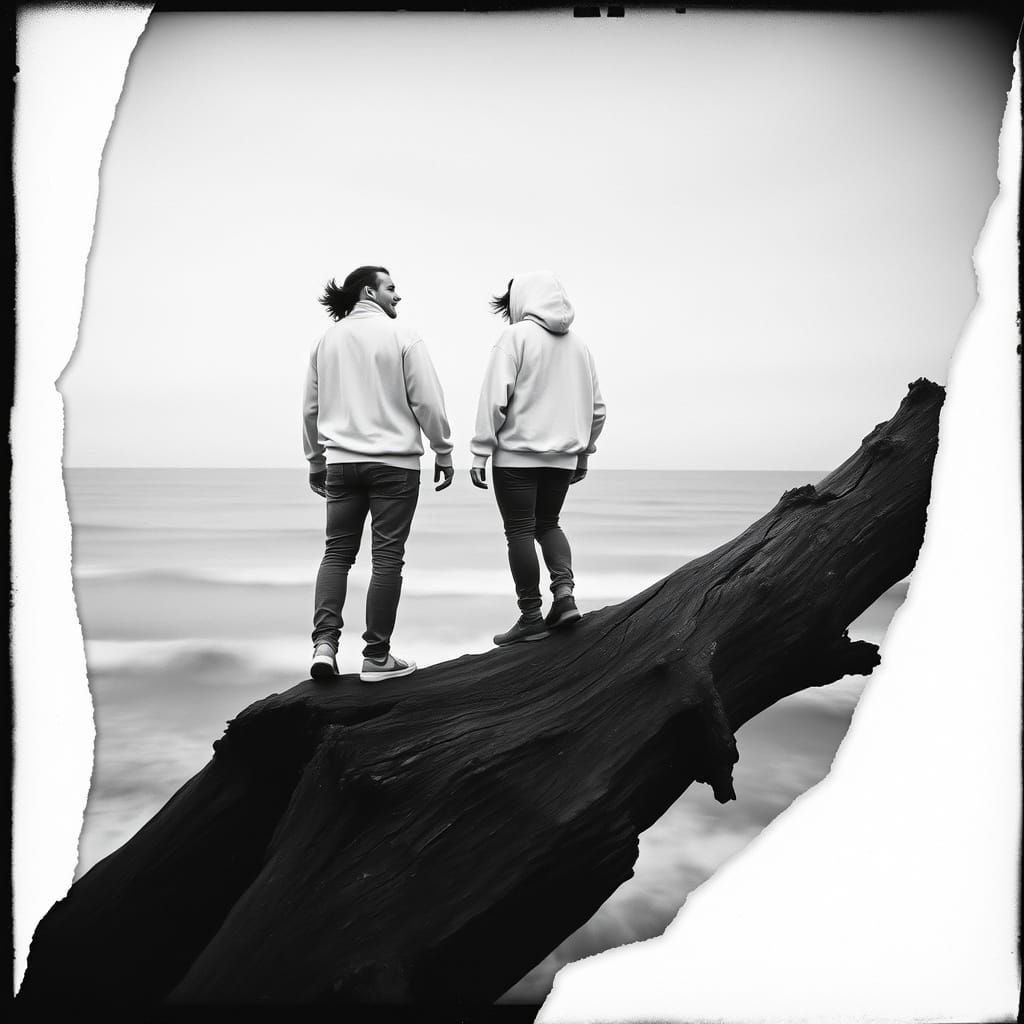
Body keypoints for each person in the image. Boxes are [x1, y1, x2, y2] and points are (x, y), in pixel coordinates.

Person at [304, 265, 454, 682]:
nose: (397, 295)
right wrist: (442, 449)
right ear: (368, 292)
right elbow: (427, 401)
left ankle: (324, 646)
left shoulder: (326, 341)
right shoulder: (403, 336)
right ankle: (376, 657)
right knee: (387, 558)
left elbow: (311, 408)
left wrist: (315, 459)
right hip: (395, 466)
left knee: (337, 554)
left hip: (341, 464)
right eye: (391, 287)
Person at [470, 270, 606, 646]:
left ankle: (530, 617)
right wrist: (583, 452)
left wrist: (480, 452)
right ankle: (565, 597)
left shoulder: (514, 337)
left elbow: (494, 399)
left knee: (519, 532)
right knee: (548, 524)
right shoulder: (579, 346)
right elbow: (597, 409)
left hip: (515, 457)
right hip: (562, 458)